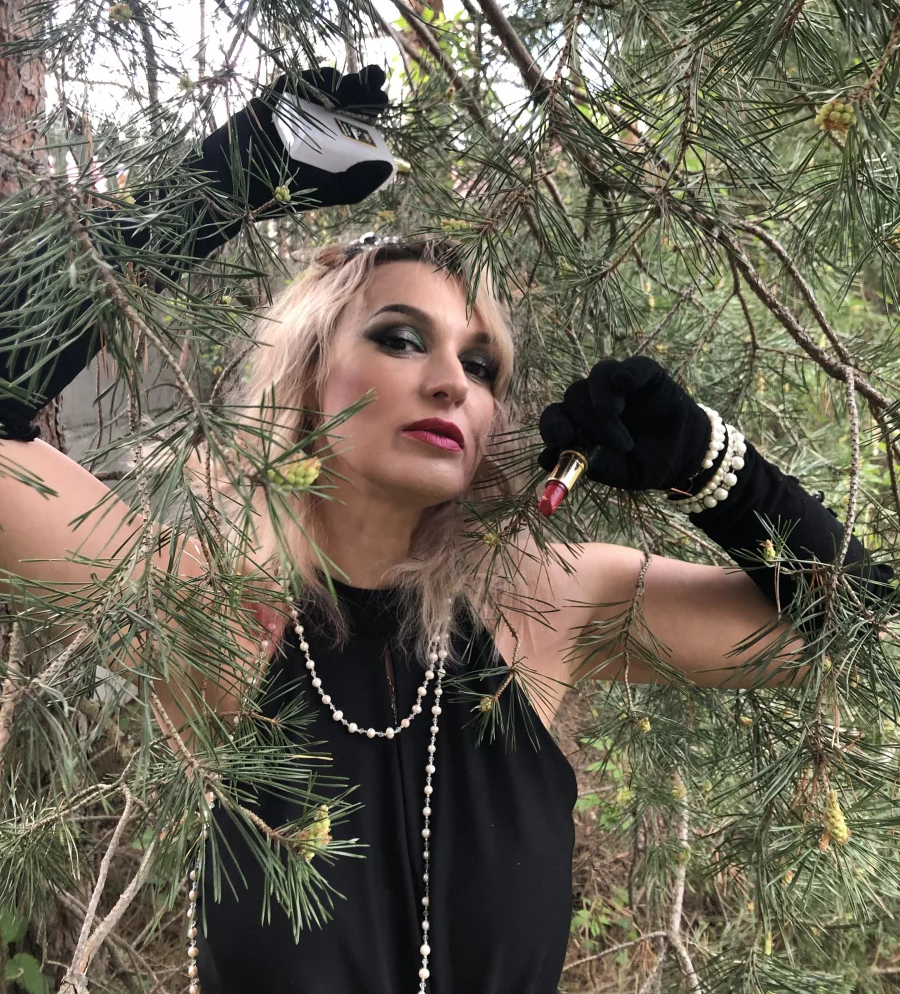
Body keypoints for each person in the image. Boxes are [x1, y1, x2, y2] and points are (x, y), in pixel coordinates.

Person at [0, 69, 892, 994]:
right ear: (306, 372)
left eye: (481, 364)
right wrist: (223, 181)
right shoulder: (212, 612)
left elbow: (855, 632)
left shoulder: (541, 604)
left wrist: (708, 463)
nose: (450, 383)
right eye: (400, 338)